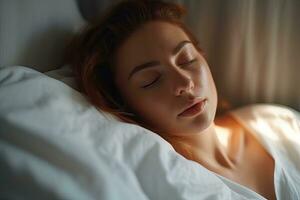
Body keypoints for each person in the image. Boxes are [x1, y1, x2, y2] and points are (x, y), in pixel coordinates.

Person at [65, 0, 300, 199]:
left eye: (187, 59)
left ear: (203, 57)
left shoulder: (276, 121)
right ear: (123, 103)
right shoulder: (168, 180)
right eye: (151, 80)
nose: (184, 83)